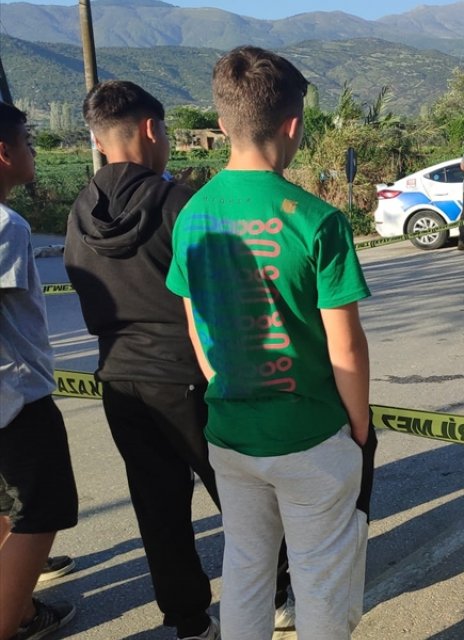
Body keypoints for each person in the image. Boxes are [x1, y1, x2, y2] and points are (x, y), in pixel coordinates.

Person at [65, 80, 296, 640]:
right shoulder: (178, 203)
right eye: (165, 130)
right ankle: (279, 593)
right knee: (240, 493)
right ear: (150, 129)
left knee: (157, 507)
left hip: (119, 379)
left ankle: (190, 622)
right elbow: (219, 291)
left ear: (99, 140)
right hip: (189, 376)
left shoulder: (78, 212)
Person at [166, 46, 376, 640]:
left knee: (247, 570)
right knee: (320, 579)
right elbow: (348, 349)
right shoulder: (318, 220)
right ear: (292, 125)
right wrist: (358, 430)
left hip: (230, 434)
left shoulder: (192, 216)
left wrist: (226, 389)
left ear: (224, 123)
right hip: (311, 436)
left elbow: (197, 326)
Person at [0, 101, 79, 640]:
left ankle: (22, 610)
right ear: (2, 152)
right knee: (40, 513)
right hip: (15, 399)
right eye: (28, 141)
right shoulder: (6, 225)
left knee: (7, 505)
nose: (32, 150)